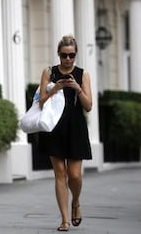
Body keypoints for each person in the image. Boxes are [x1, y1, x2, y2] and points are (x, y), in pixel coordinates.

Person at [38, 35, 92, 232]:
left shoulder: (82, 74)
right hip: (54, 127)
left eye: (72, 55)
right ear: (58, 54)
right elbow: (40, 102)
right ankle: (64, 219)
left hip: (75, 127)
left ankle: (75, 202)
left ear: (75, 54)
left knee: (74, 175)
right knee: (60, 174)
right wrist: (55, 89)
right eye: (64, 55)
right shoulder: (49, 72)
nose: (68, 59)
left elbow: (89, 106)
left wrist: (78, 88)